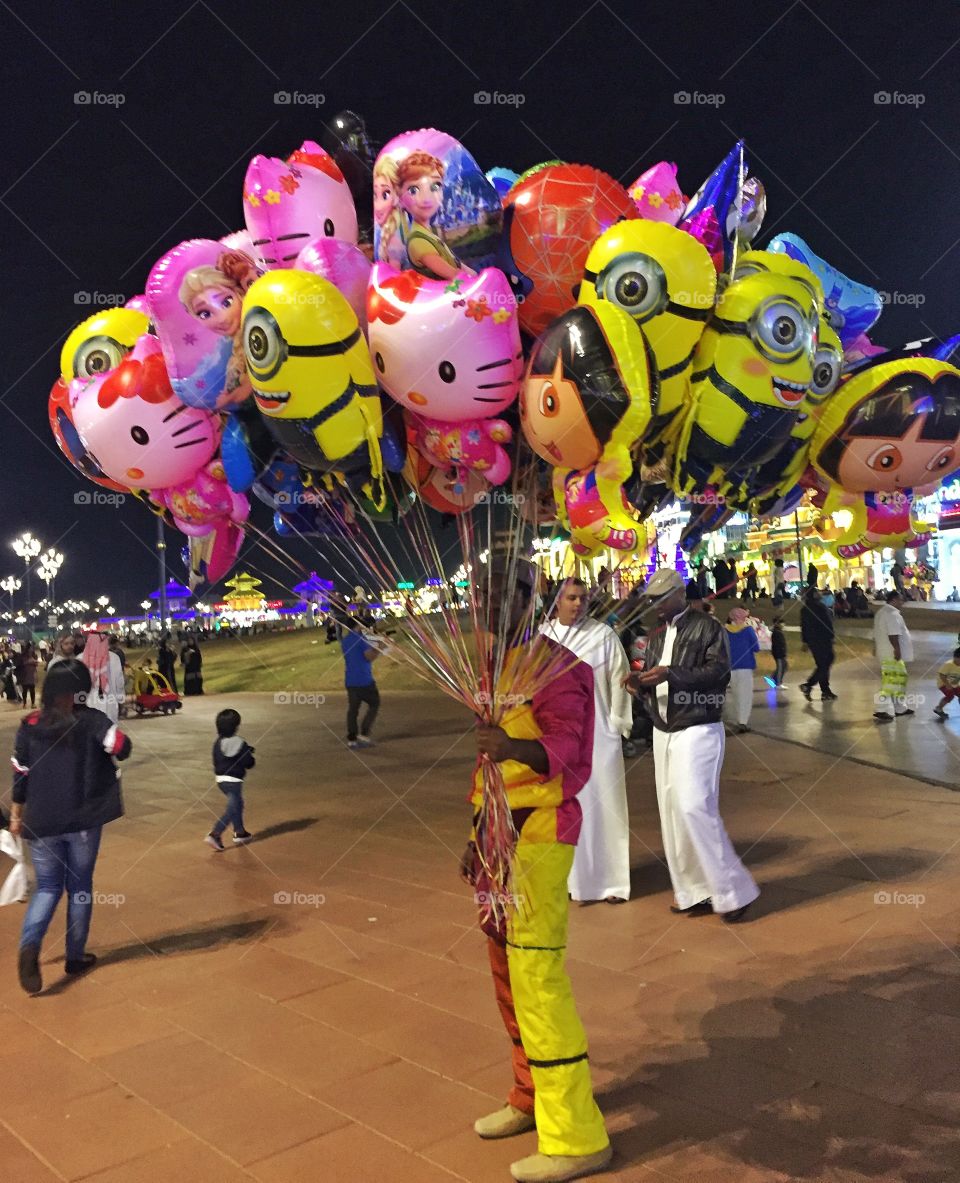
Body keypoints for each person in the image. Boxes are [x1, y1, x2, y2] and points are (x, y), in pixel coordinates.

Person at [465, 558, 610, 1182]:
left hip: (542, 836)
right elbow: (486, 770)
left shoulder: (560, 666)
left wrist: (513, 746)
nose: (493, 605)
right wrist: (474, 836)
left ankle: (576, 1134)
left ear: (534, 597)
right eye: (483, 594)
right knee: (504, 970)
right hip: (497, 839)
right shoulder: (491, 671)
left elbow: (571, 750)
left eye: (508, 593)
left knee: (536, 975)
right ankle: (530, 1095)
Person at [625, 568, 759, 925]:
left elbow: (719, 673)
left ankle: (735, 891)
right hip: (663, 729)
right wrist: (639, 684)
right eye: (651, 600)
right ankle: (693, 891)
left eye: (660, 599)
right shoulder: (656, 635)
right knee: (671, 812)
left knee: (693, 805)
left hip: (698, 727)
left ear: (678, 595)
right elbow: (655, 676)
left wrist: (672, 674)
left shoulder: (707, 626)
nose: (655, 606)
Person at [9, 659, 132, 994]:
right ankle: (74, 956)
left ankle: (30, 946)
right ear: (82, 690)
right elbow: (122, 747)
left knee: (47, 887)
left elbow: (21, 774)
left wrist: (17, 813)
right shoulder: (91, 720)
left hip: (42, 821)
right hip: (81, 820)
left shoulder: (30, 723)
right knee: (79, 886)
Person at [541, 578, 633, 904]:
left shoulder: (602, 635)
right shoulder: (544, 637)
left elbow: (619, 680)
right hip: (559, 738)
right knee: (566, 807)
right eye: (571, 598)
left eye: (582, 598)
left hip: (599, 735)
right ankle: (571, 881)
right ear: (558, 601)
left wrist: (619, 724)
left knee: (605, 807)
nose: (578, 604)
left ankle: (611, 882)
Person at [204, 708, 255, 851]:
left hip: (221, 779)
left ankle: (240, 832)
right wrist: (248, 754)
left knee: (237, 803)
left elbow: (218, 759)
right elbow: (249, 763)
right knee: (233, 807)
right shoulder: (239, 742)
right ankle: (216, 833)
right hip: (234, 780)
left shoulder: (218, 742)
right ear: (236, 726)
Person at [873, 590, 914, 723]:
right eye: (901, 600)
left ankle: (900, 708)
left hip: (885, 652)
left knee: (898, 680)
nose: (902, 603)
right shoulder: (892, 614)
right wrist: (897, 649)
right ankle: (881, 708)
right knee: (891, 681)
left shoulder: (882, 612)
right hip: (891, 654)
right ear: (894, 600)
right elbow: (893, 634)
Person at [340, 615, 381, 748]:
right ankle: (364, 733)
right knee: (374, 703)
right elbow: (369, 657)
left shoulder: (345, 640)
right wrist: (378, 648)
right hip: (364, 679)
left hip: (350, 680)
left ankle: (352, 738)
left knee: (353, 710)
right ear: (358, 625)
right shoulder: (360, 639)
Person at [723, 607, 759, 733]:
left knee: (736, 694)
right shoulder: (748, 630)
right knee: (745, 695)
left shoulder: (725, 630)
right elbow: (756, 648)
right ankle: (742, 722)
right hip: (745, 666)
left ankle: (738, 719)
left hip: (730, 667)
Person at [799, 588, 837, 701]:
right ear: (814, 595)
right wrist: (831, 636)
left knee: (822, 665)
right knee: (826, 662)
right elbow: (827, 622)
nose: (820, 594)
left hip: (812, 641)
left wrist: (805, 641)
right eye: (817, 592)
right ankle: (810, 685)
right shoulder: (820, 607)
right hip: (823, 639)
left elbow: (804, 626)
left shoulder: (804, 609)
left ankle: (823, 690)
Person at [80, 633, 125, 723]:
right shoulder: (114, 658)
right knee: (109, 734)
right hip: (110, 703)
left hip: (87, 704)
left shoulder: (80, 659)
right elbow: (119, 683)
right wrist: (121, 700)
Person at [934, 648, 960, 718]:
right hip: (943, 684)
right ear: (955, 657)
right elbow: (942, 675)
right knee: (950, 696)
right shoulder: (948, 664)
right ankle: (939, 708)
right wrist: (947, 684)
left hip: (954, 684)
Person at [18, 643, 38, 708]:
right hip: (25, 675)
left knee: (32, 690)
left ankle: (33, 703)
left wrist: (35, 663)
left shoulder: (34, 655)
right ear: (28, 649)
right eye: (31, 648)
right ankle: (24, 703)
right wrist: (28, 662)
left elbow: (35, 664)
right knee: (25, 690)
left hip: (31, 674)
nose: (32, 649)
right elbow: (19, 665)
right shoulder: (22, 656)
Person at [771, 616, 788, 688]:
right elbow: (777, 645)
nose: (783, 624)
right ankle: (778, 683)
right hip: (779, 654)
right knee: (780, 668)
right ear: (777, 624)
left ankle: (773, 678)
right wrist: (780, 653)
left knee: (785, 666)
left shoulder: (778, 631)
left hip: (781, 653)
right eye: (781, 623)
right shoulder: (776, 632)